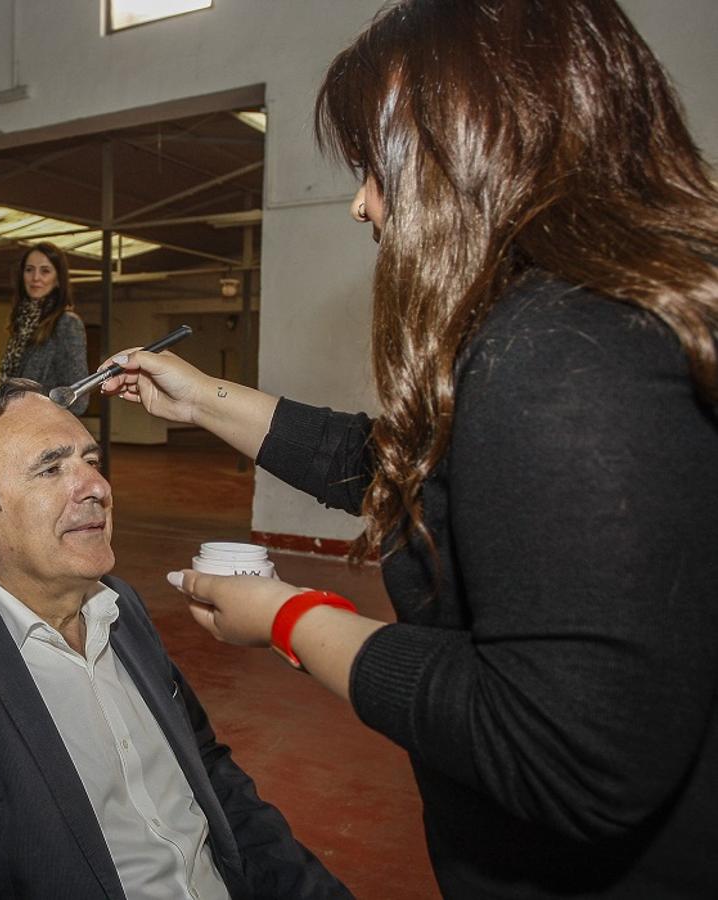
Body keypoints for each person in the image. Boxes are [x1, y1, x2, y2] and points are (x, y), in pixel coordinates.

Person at [100, 1, 718, 897]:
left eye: (372, 166)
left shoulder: (560, 353)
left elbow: (564, 747)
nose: (360, 202)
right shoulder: (596, 323)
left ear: (477, 144)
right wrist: (205, 399)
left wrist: (284, 618)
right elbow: (412, 468)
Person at [0, 379, 351, 899]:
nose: (97, 487)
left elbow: (208, 771)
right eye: (51, 469)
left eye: (92, 461)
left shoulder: (121, 609)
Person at [0, 241, 88, 413]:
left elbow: (79, 398)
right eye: (29, 269)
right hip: (16, 423)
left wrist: (31, 403)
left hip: (43, 428)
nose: (35, 278)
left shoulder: (67, 323)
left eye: (45, 271)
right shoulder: (21, 326)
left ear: (58, 280)